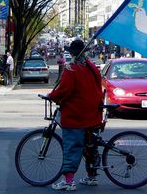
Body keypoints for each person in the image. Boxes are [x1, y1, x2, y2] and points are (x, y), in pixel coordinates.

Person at [48, 38, 103, 191]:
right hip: (94, 114)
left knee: (71, 147)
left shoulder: (71, 69)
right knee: (90, 147)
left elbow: (64, 90)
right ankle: (91, 176)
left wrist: (52, 96)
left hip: (76, 116)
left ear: (72, 54)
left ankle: (69, 181)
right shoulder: (92, 67)